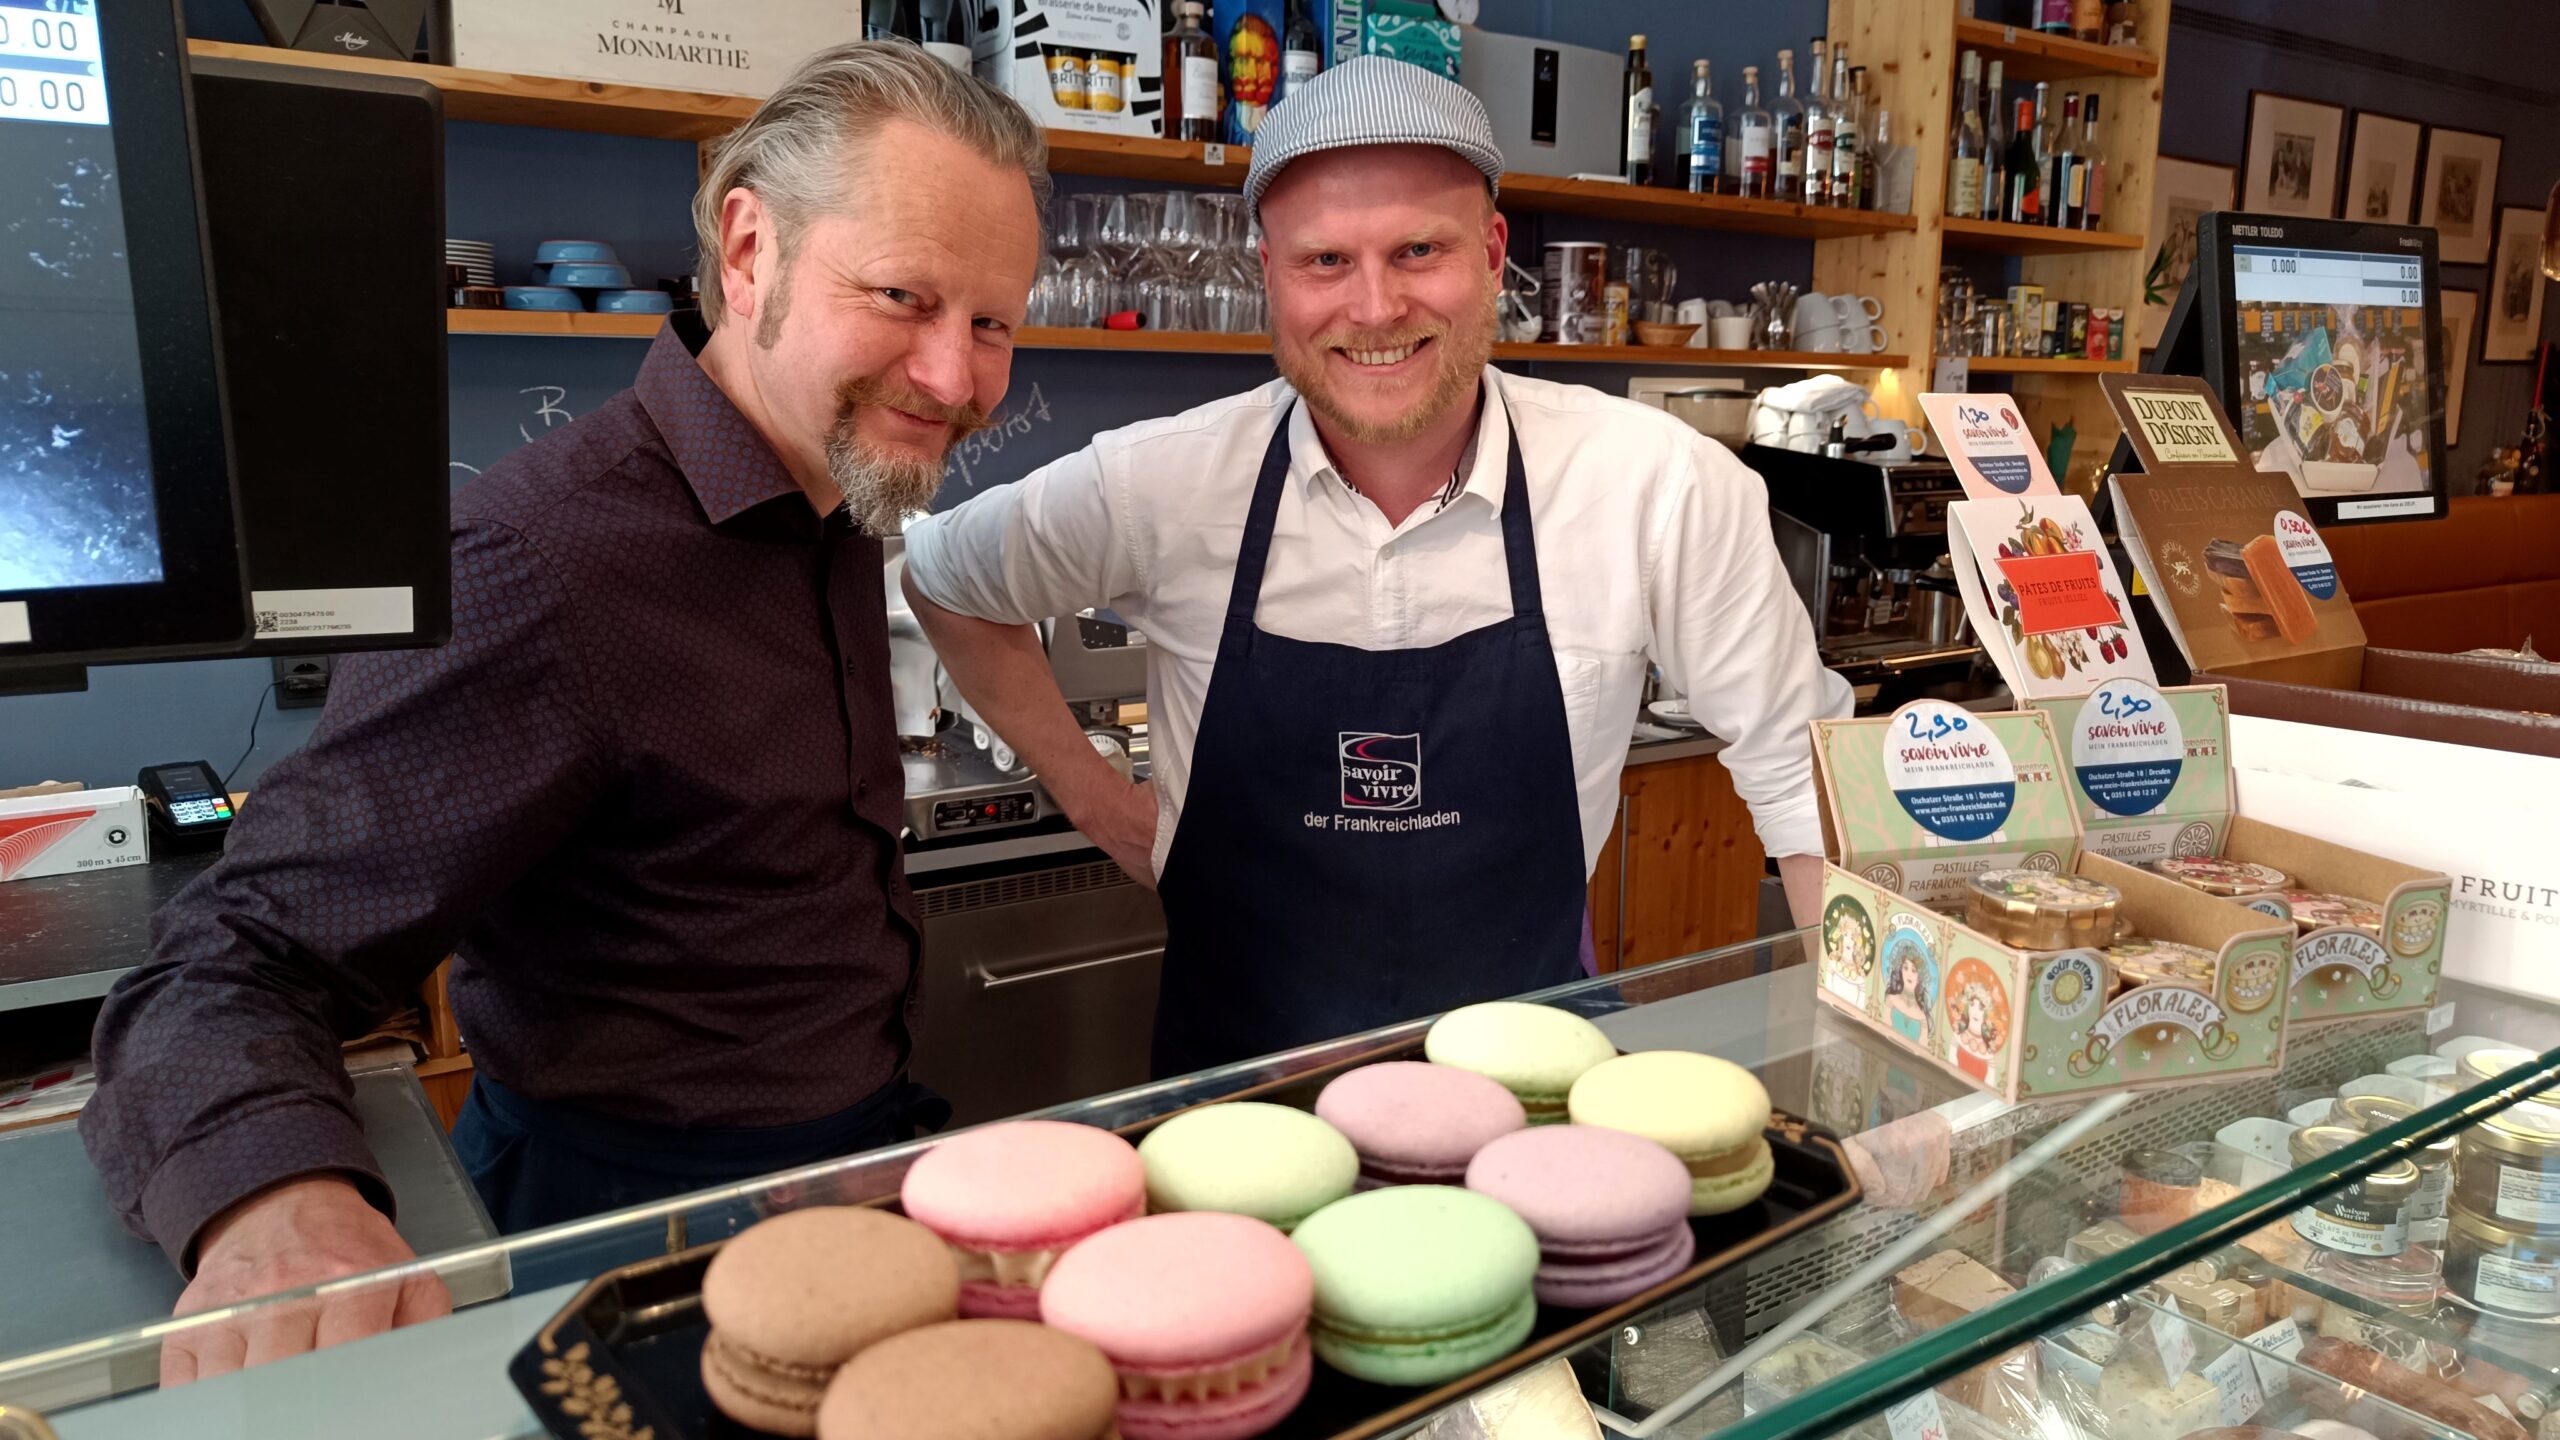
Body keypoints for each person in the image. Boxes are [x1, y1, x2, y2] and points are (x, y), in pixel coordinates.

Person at [78, 42, 1046, 1379]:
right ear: (749, 248)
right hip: (624, 1233)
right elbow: (228, 961)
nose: (955, 377)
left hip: (843, 1178)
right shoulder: (542, 564)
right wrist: (273, 1202)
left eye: (992, 323)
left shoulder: (829, 495)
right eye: (902, 297)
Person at [902, 58, 1852, 1078]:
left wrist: (1868, 1064)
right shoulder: (1158, 484)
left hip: (1529, 1086)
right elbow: (944, 577)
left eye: (1418, 250)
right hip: (1240, 1099)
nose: (1375, 306)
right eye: (1324, 261)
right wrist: (1096, 799)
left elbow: (1807, 784)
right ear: (1268, 274)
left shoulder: (1656, 483)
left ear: (1493, 255)